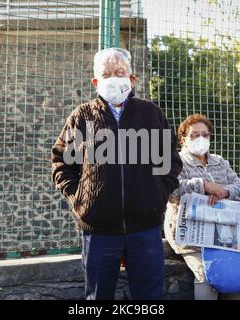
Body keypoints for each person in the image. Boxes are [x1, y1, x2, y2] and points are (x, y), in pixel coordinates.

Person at [52, 47, 183, 300]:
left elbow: (171, 161)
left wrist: (156, 195)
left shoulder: (151, 114)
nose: (113, 78)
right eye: (106, 73)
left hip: (145, 228)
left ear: (131, 78)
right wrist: (80, 200)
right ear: (95, 81)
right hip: (98, 230)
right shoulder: (81, 117)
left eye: (120, 72)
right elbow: (62, 161)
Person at [164, 113, 240, 300]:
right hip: (191, 238)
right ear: (183, 139)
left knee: (236, 276)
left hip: (222, 235)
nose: (200, 138)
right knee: (206, 274)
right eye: (194, 135)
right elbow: (170, 191)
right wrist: (203, 186)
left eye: (205, 134)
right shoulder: (175, 162)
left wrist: (223, 191)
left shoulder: (220, 162)